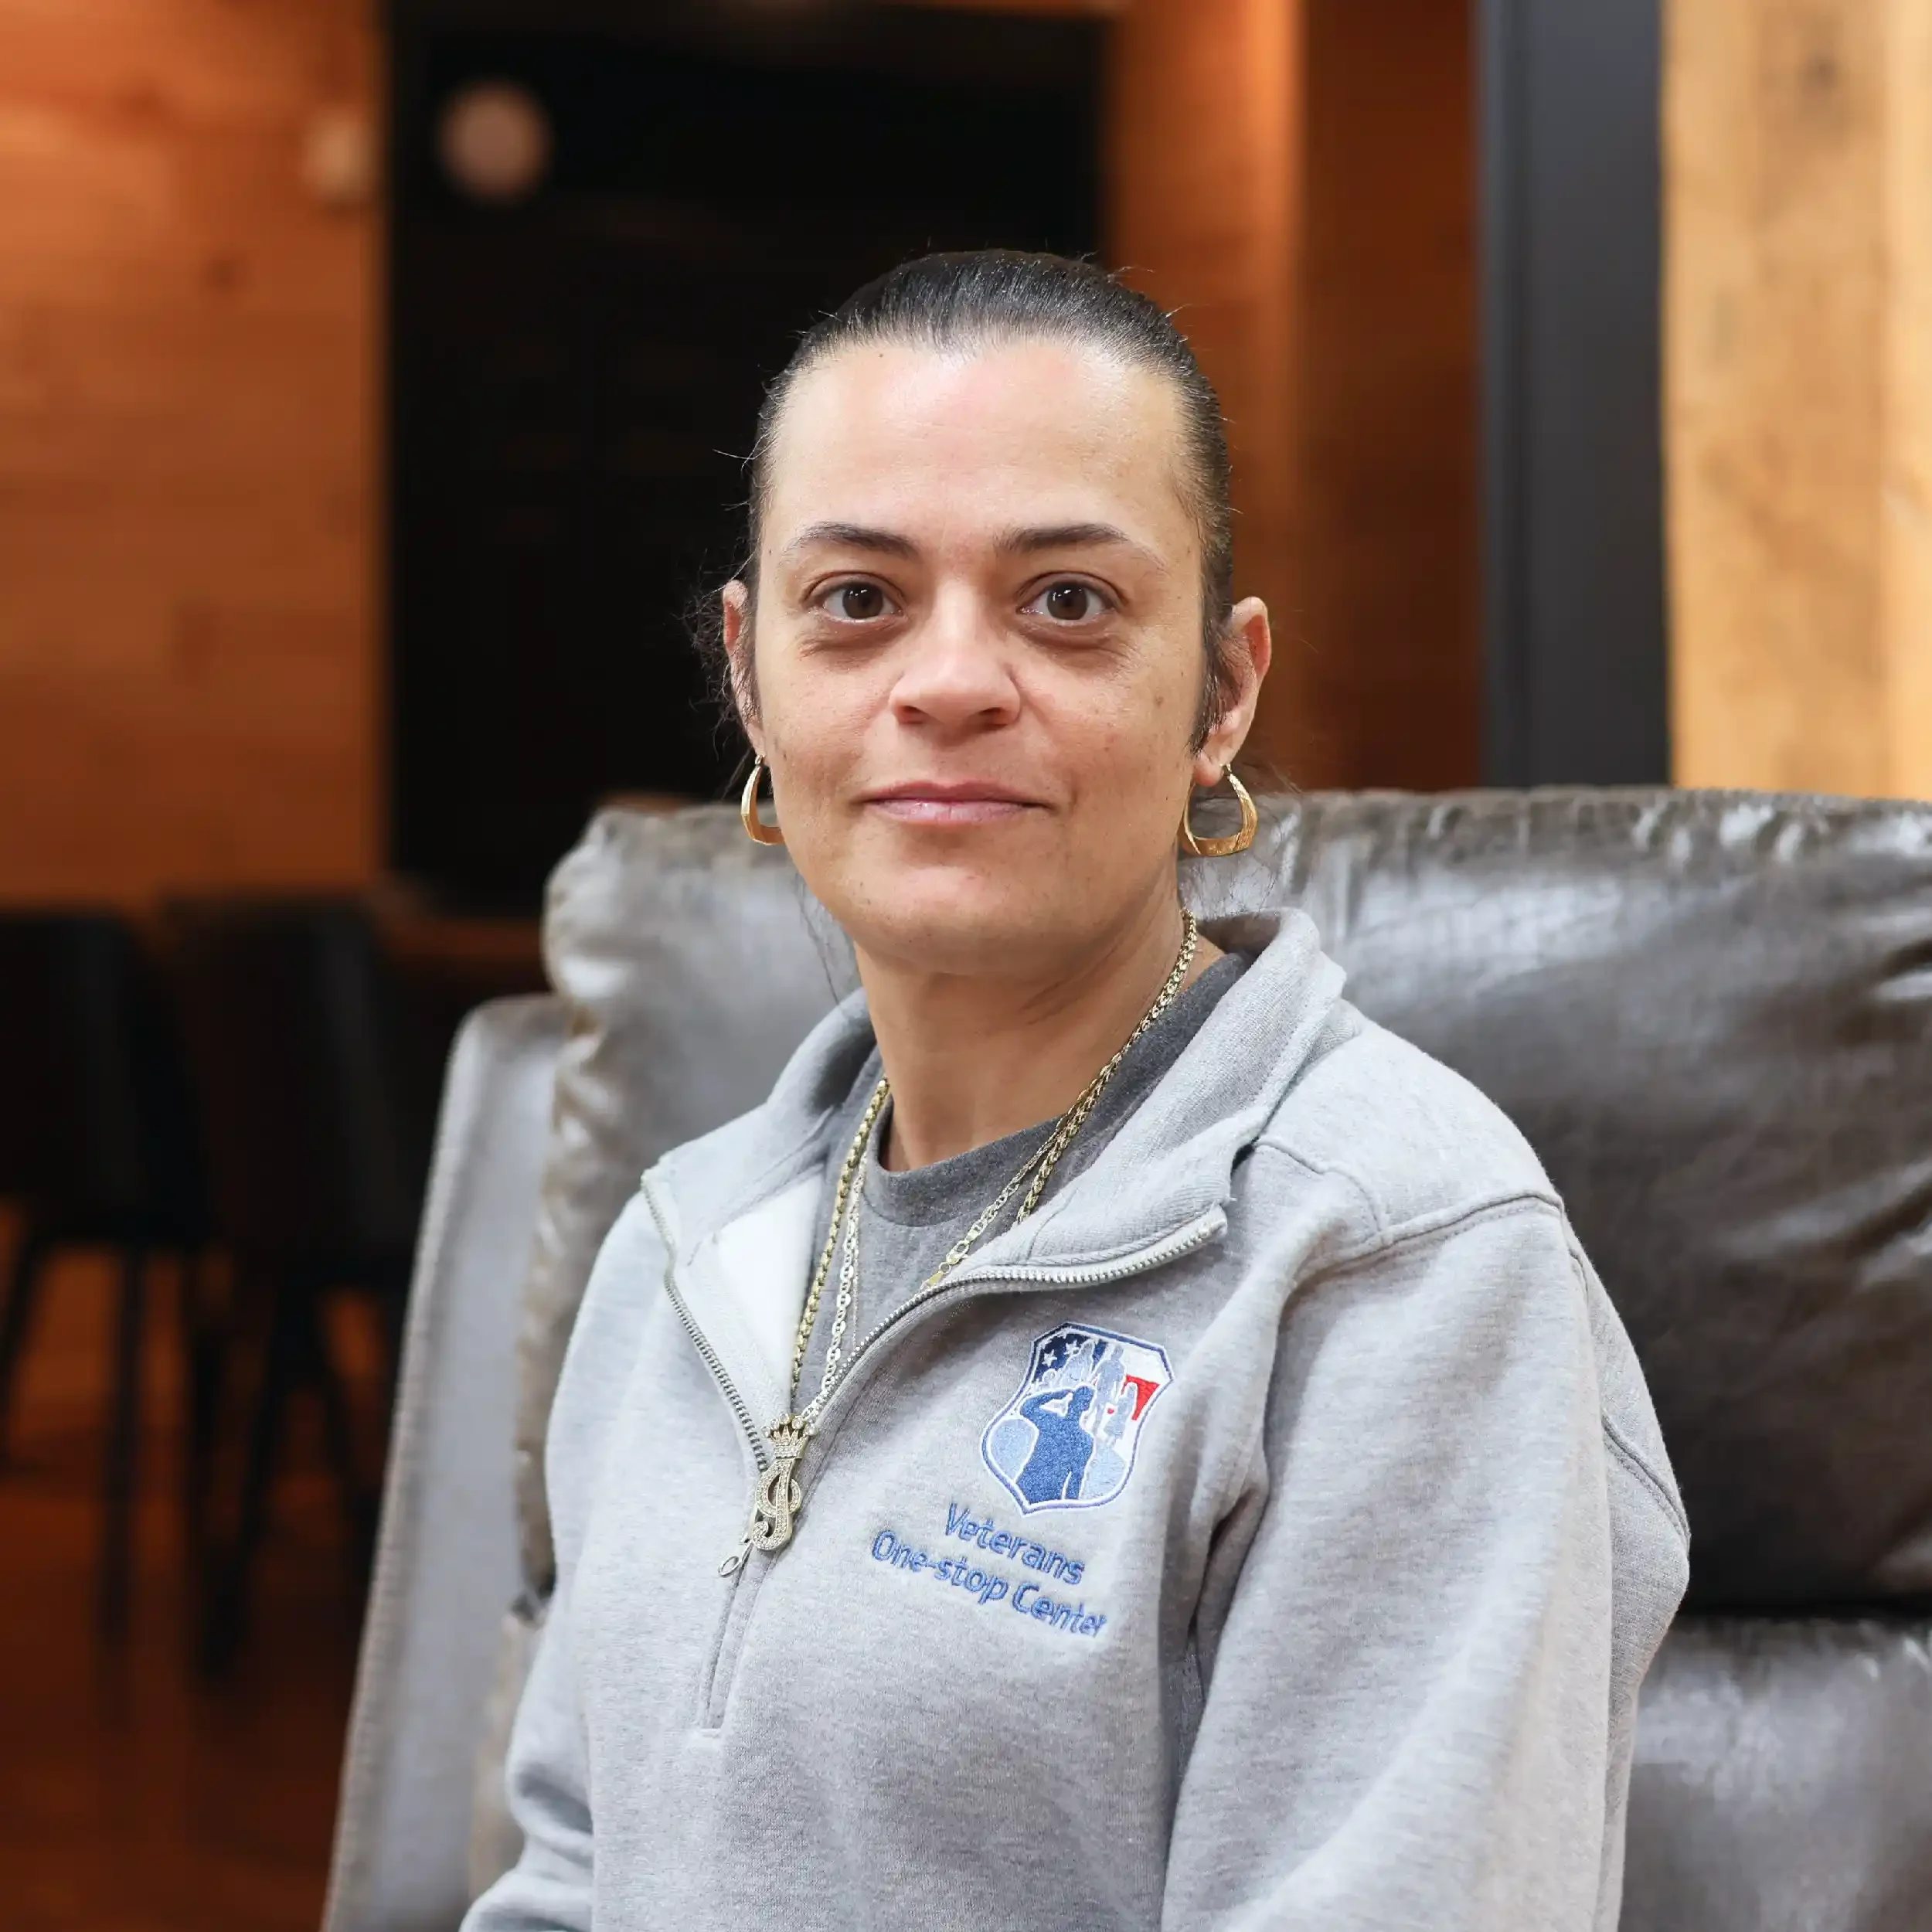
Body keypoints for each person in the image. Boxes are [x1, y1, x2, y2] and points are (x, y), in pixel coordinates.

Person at [465, 250, 1688, 1932]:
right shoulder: (682, 1245)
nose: (951, 678)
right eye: (857, 599)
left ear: (1222, 688)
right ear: (749, 673)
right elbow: (566, 1877)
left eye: (1064, 602)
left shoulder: (1402, 1264)